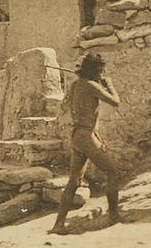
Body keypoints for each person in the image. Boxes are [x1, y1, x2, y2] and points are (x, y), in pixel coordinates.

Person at [49, 53, 125, 234]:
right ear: (94, 71)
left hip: (78, 135)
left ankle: (58, 225)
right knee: (113, 172)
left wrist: (97, 138)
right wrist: (110, 85)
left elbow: (79, 114)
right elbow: (116, 102)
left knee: (74, 181)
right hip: (85, 136)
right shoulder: (92, 86)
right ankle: (114, 216)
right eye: (100, 70)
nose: (102, 73)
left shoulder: (76, 85)